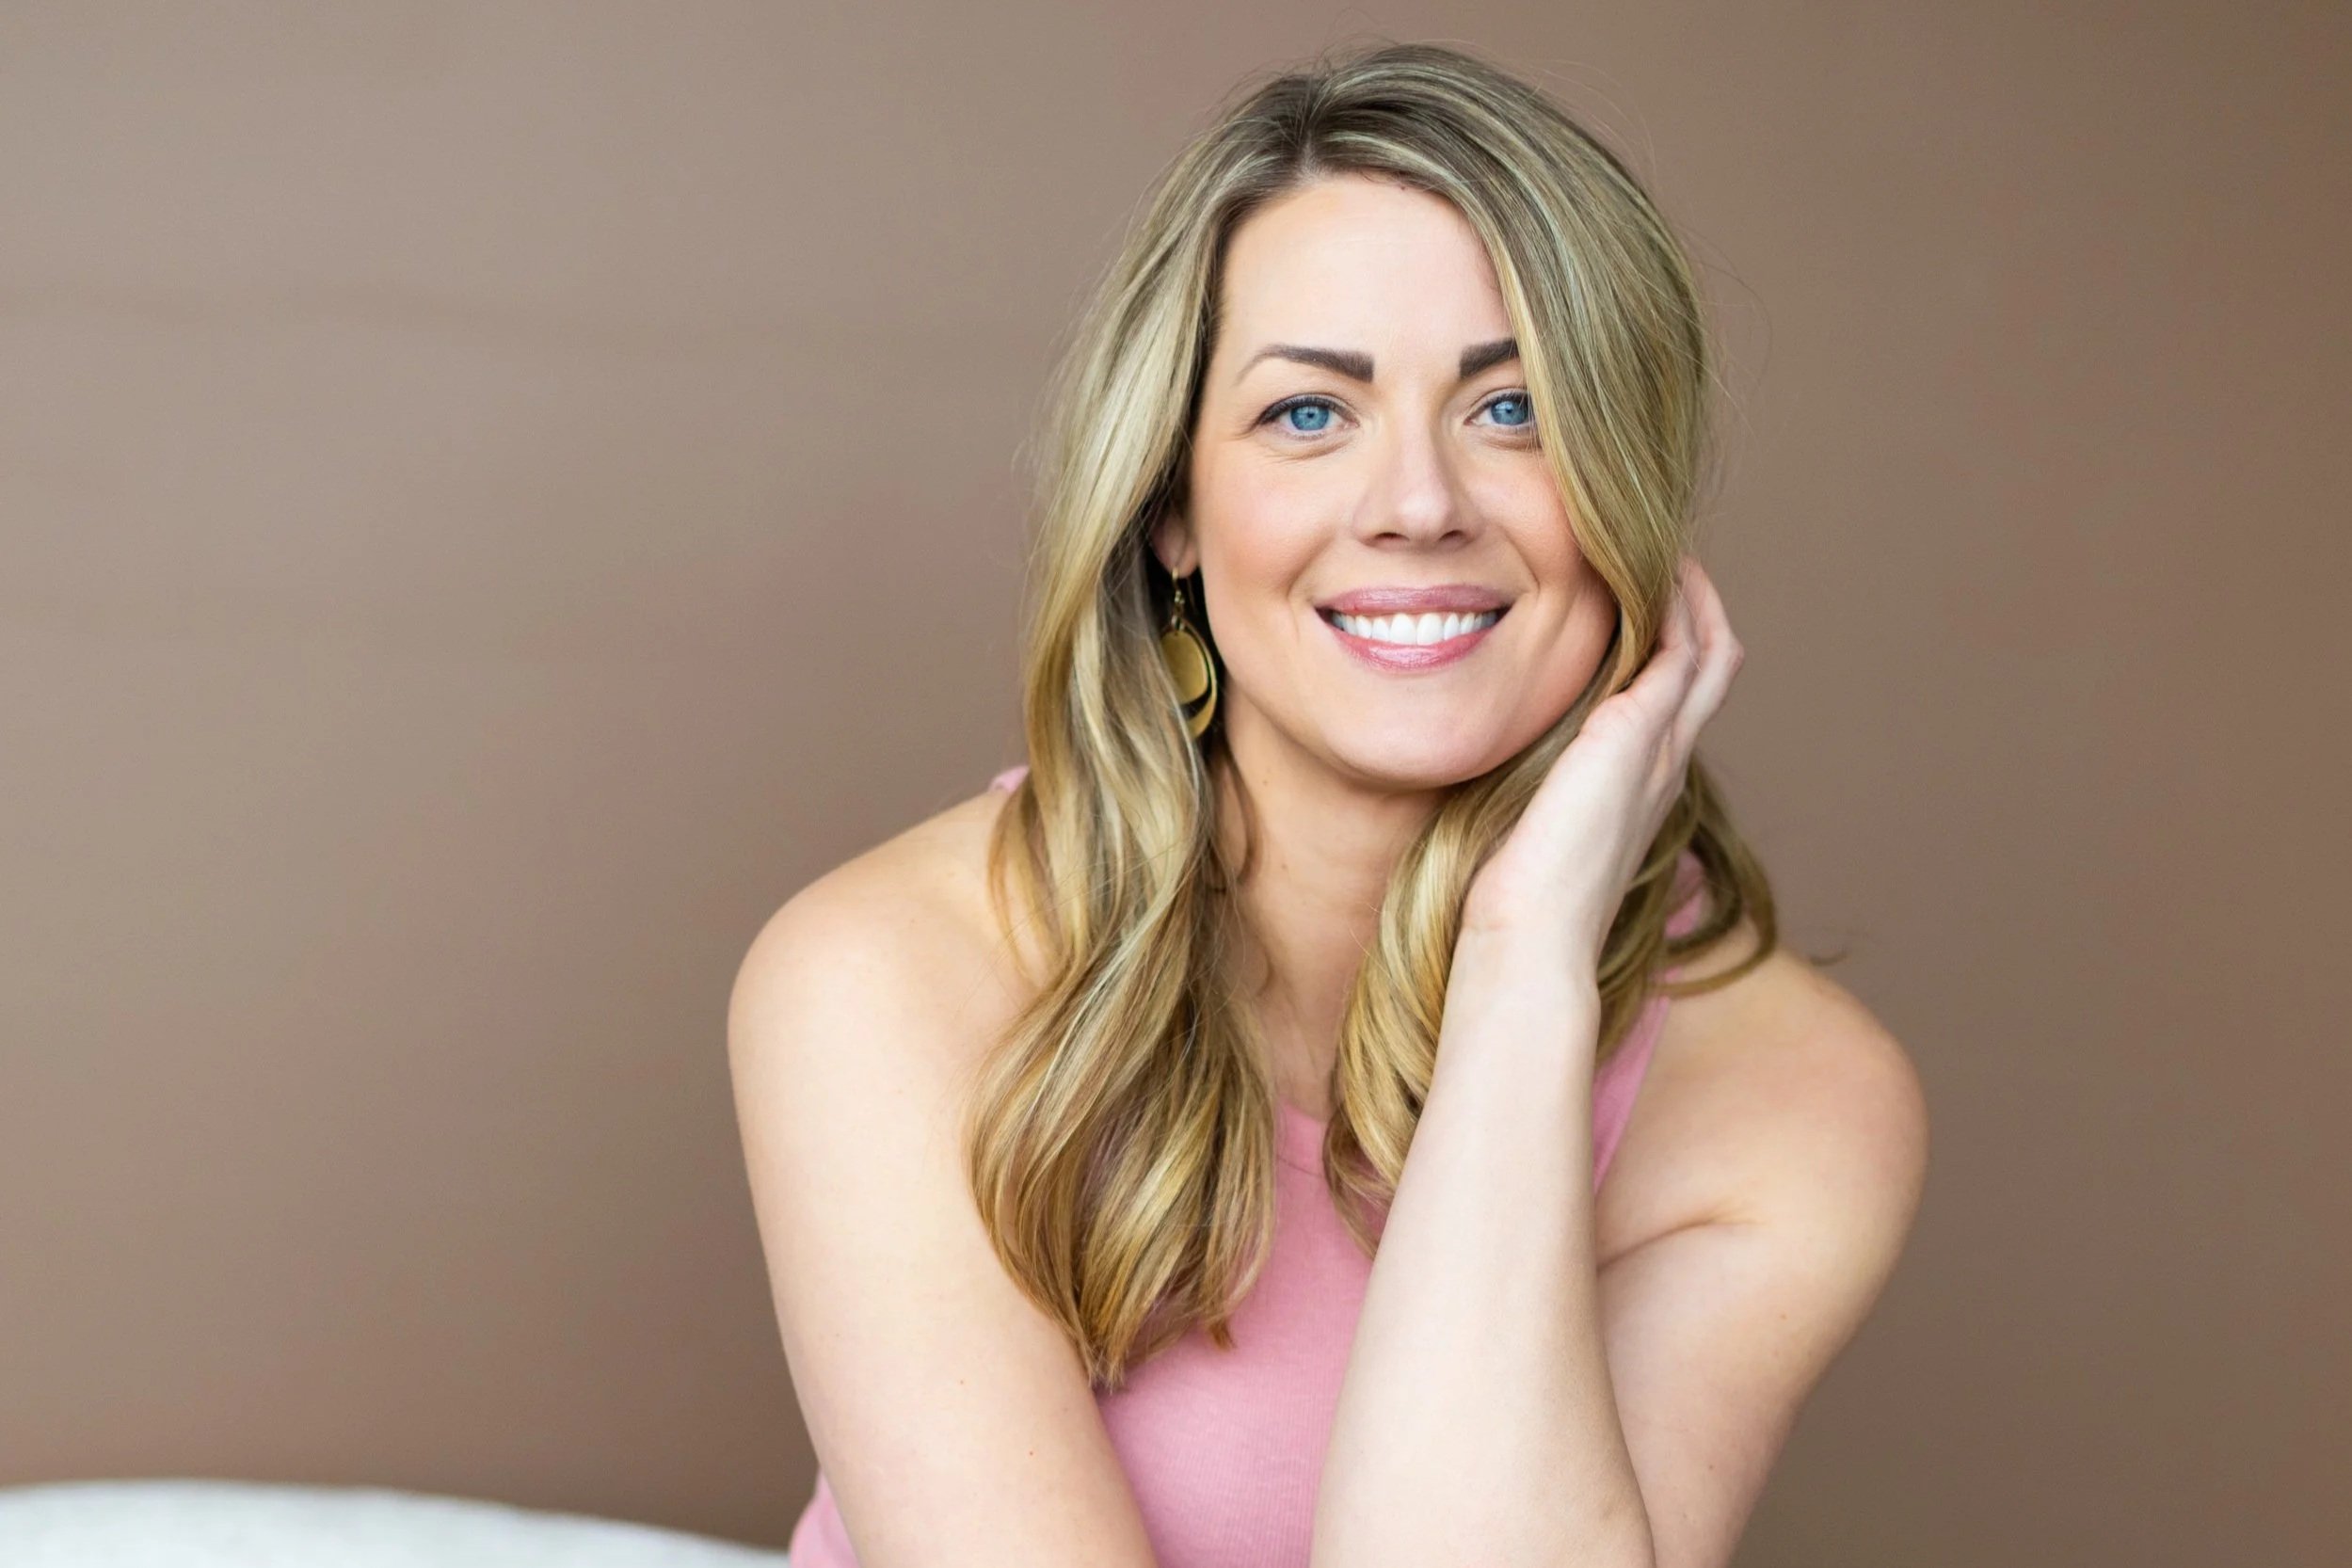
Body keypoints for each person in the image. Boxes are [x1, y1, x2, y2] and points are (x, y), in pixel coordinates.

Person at [728, 40, 1928, 1568]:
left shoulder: (1793, 1096)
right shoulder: (885, 977)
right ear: (1172, 509)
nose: (1417, 501)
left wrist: (1520, 969)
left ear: (1628, 486)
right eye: (1310, 414)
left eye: (1516, 413)